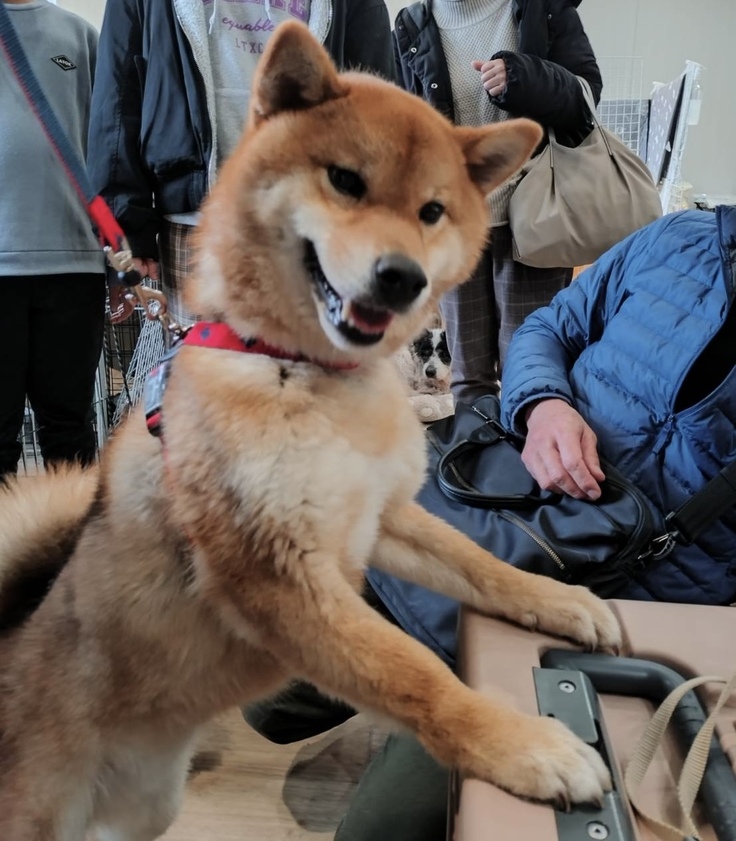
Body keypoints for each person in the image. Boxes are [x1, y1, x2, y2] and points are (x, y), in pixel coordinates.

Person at [334, 205, 736, 841]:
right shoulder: (684, 239)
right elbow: (549, 327)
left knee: (385, 828)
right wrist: (543, 404)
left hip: (623, 611)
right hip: (495, 499)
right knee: (272, 688)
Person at [87, 0, 395, 329]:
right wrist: (123, 230)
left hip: (317, 228)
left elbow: (376, 108)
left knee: (314, 376)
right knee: (203, 374)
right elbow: (119, 97)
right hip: (195, 227)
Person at [393, 0, 601, 404]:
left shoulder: (543, 7)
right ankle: (481, 466)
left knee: (530, 372)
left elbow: (587, 95)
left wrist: (523, 77)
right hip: (454, 229)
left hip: (536, 222)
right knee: (468, 379)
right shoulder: (411, 23)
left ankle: (527, 464)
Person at [0, 0, 105, 482]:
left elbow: (109, 144)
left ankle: (73, 554)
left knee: (69, 429)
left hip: (74, 265)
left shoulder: (80, 36)